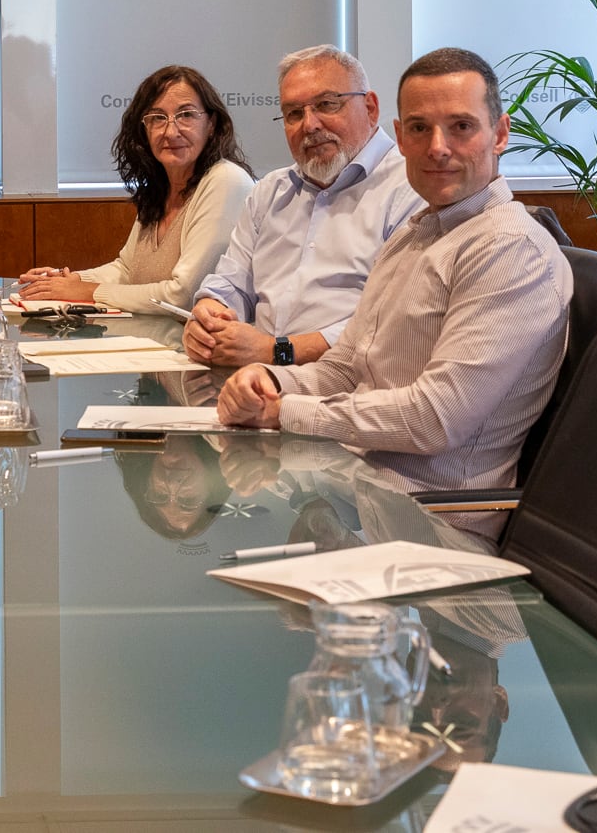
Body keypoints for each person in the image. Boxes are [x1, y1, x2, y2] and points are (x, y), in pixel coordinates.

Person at [215, 48, 572, 540]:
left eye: (462, 127)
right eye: (421, 129)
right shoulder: (416, 233)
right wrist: (272, 383)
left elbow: (434, 419)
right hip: (354, 496)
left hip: (435, 528)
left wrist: (286, 410)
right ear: (400, 138)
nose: (438, 147)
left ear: (501, 134)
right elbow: (346, 367)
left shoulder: (508, 249)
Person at [185, 45, 422, 370]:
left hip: (352, 388)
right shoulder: (269, 192)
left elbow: (392, 323)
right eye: (294, 113)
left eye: (327, 104)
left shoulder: (412, 187)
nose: (309, 125)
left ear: (370, 107)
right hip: (255, 382)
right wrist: (211, 314)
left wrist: (276, 351)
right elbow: (232, 281)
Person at [18, 65, 253, 314]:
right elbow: (127, 270)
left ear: (211, 124)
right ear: (144, 129)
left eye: (186, 115)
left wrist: (87, 291)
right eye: (158, 118)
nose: (171, 131)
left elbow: (183, 295)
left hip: (202, 347)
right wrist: (66, 282)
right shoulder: (160, 187)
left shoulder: (226, 180)